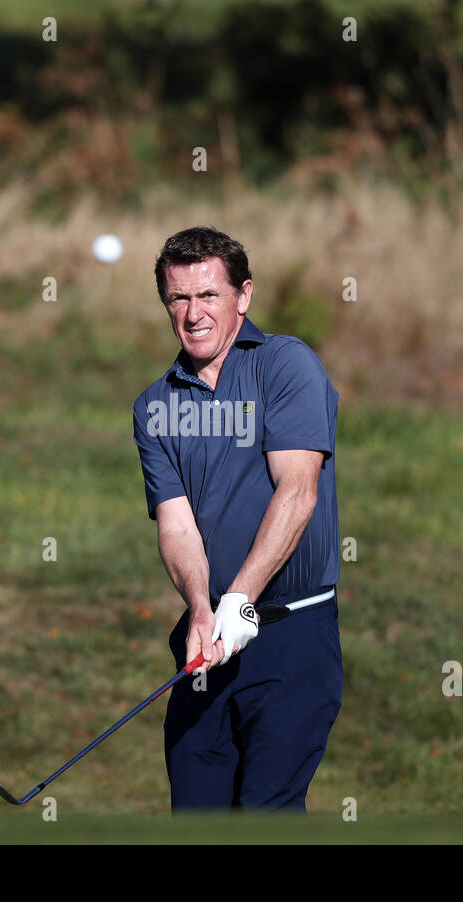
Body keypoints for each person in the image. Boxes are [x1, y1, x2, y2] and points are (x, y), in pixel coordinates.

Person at [132, 226, 343, 811]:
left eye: (208, 295)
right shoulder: (155, 406)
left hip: (291, 637)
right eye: (178, 298)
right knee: (197, 811)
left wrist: (241, 598)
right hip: (206, 644)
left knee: (266, 813)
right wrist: (203, 607)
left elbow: (297, 493)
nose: (193, 313)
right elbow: (176, 526)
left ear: (243, 296)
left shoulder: (285, 365)